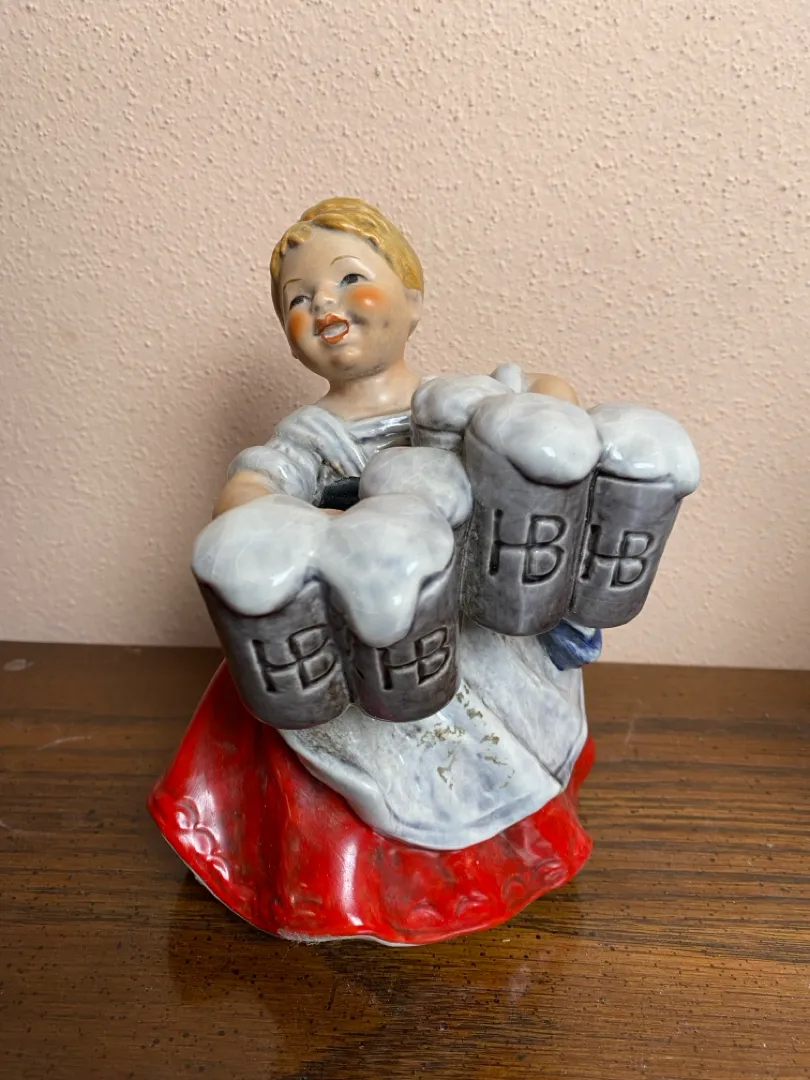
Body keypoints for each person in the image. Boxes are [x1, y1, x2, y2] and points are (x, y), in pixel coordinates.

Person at [149, 198, 600, 945]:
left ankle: (483, 862)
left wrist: (545, 423)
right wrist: (310, 527)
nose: (323, 305)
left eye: (350, 278)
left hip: (463, 620)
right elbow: (252, 485)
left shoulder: (461, 403)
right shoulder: (314, 435)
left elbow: (549, 395)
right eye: (298, 300)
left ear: (413, 300)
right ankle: (351, 888)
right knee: (329, 732)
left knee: (496, 747)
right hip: (355, 637)